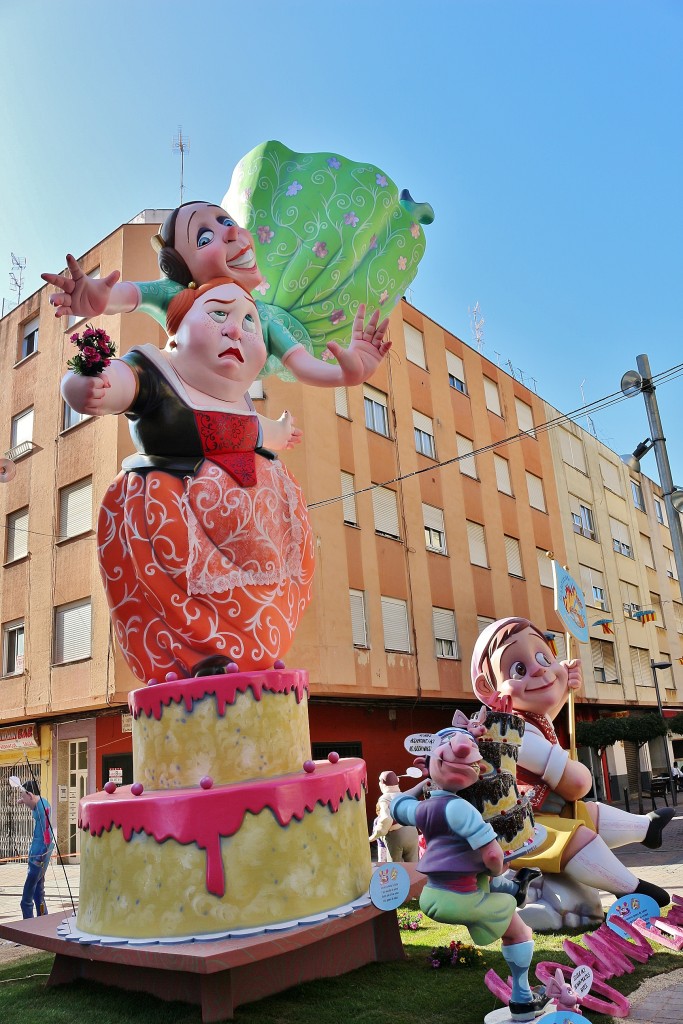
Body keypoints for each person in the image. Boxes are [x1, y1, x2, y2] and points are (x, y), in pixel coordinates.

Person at [61, 277, 334, 681]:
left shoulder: (240, 403)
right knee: (174, 575)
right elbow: (120, 382)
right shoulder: (156, 371)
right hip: (172, 513)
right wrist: (88, 385)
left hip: (258, 538)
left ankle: (254, 651)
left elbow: (258, 430)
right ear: (178, 326)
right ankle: (194, 653)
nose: (235, 329)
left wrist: (279, 431)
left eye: (250, 322)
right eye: (219, 313)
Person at [471, 617, 674, 907]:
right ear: (486, 687)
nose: (540, 668)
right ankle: (630, 888)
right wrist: (578, 771)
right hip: (518, 830)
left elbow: (546, 720)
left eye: (544, 657)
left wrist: (564, 687)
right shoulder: (509, 733)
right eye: (519, 668)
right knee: (575, 836)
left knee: (587, 812)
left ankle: (646, 828)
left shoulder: (525, 722)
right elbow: (576, 783)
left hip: (540, 814)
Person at [391, 725, 549, 1021]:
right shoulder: (462, 810)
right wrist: (498, 865)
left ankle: (515, 889)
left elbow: (399, 807)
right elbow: (491, 853)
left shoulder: (425, 809)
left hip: (433, 893)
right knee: (519, 932)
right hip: (459, 898)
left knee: (485, 879)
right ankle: (523, 999)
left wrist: (424, 780)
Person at [17, 779, 54, 919]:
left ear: (30, 795)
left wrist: (41, 857)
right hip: (41, 853)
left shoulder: (42, 809)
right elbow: (31, 802)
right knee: (39, 892)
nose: (22, 800)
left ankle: (29, 924)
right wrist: (23, 801)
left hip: (39, 855)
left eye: (23, 796)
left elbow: (46, 834)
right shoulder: (42, 802)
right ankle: (43, 918)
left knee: (26, 899)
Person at [368, 771, 419, 862]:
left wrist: (375, 835)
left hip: (396, 835)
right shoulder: (405, 796)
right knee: (413, 865)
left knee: (395, 869)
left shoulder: (384, 799)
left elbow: (386, 818)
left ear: (382, 783)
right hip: (412, 833)